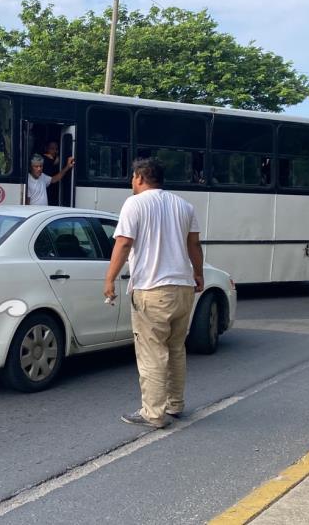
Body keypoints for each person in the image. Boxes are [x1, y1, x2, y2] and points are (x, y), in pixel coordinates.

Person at [103, 158, 204, 430]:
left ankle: (153, 413)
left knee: (151, 353)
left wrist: (110, 279)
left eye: (132, 178)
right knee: (175, 349)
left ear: (139, 177)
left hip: (152, 288)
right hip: (182, 288)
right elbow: (194, 244)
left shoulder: (134, 204)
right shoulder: (185, 206)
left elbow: (124, 243)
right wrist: (198, 274)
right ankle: (175, 404)